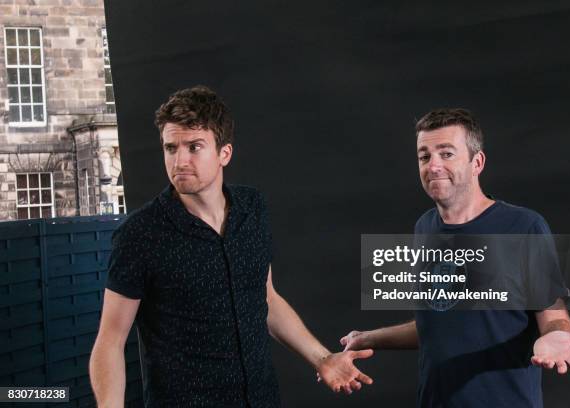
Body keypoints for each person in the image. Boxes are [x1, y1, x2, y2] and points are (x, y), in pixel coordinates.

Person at [89, 86, 373, 407]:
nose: (180, 160)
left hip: (262, 399)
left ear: (224, 153)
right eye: (171, 148)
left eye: (194, 147)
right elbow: (110, 341)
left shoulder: (252, 208)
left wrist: (321, 358)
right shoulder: (140, 234)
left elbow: (265, 297)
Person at [341, 109, 570, 407]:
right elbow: (441, 322)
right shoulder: (425, 228)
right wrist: (368, 338)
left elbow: (554, 317)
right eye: (424, 156)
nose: (433, 165)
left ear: (477, 162)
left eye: (446, 153)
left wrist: (556, 336)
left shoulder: (523, 227)